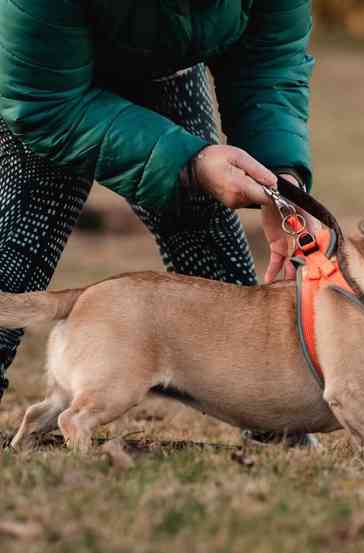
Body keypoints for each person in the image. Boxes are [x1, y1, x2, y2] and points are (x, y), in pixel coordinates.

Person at [0, 1, 315, 406]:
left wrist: (280, 178)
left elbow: (271, 62)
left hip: (163, 66)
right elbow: (42, 105)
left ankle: (270, 415)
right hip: (38, 78)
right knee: (22, 239)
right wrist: (190, 163)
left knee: (206, 227)